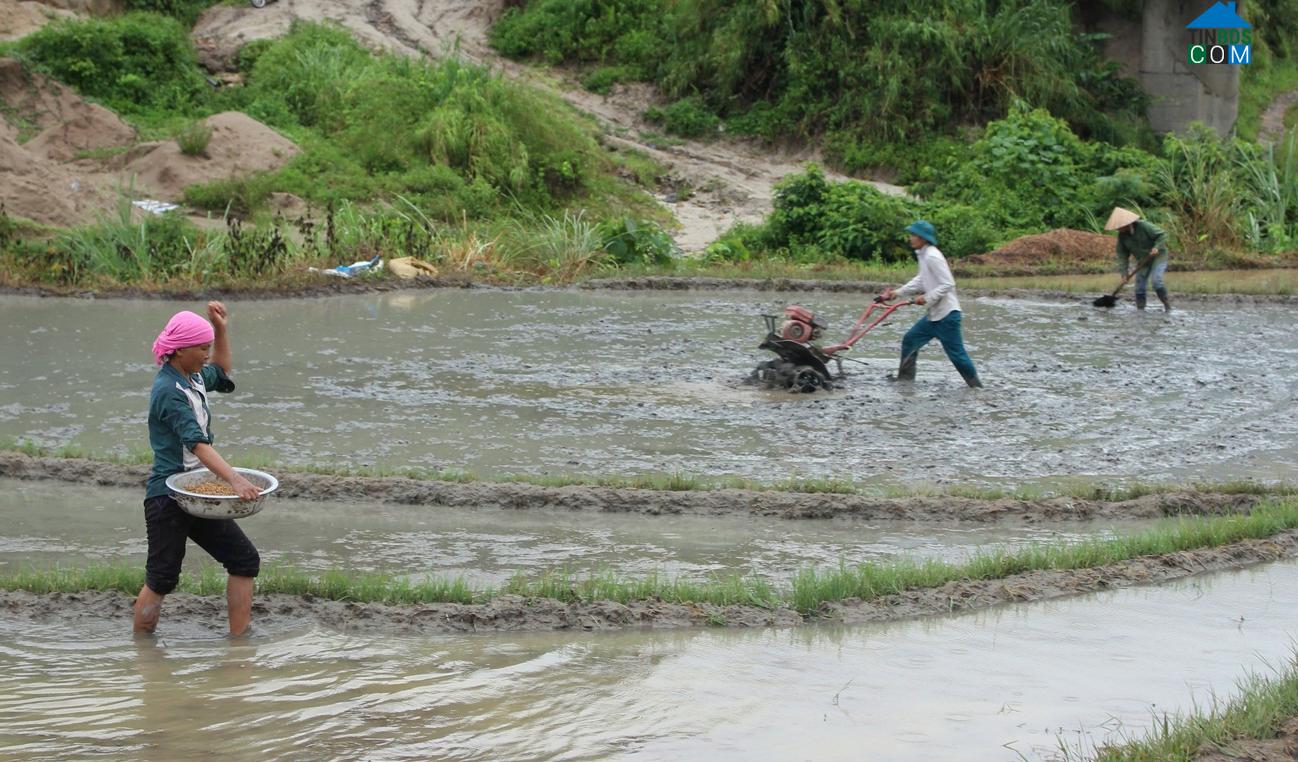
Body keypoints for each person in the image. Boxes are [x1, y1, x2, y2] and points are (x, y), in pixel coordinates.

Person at [134, 302, 261, 636]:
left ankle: (239, 643)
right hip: (168, 498)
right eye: (202, 348)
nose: (207, 354)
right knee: (162, 579)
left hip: (196, 493)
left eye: (208, 347)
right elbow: (196, 443)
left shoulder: (192, 377)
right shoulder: (168, 390)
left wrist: (219, 329)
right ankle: (142, 649)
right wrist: (234, 479)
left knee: (245, 561)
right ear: (179, 350)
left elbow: (221, 370)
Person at [881, 220, 982, 388]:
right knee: (910, 340)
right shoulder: (924, 255)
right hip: (934, 315)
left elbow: (948, 283)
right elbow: (921, 280)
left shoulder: (933, 256)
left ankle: (976, 387)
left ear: (923, 238)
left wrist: (927, 298)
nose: (910, 238)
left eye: (913, 235)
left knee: (957, 355)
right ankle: (905, 382)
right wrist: (897, 293)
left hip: (947, 316)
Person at [1105, 207, 1171, 312]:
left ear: (1126, 224)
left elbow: (1162, 235)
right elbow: (1122, 256)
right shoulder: (1122, 237)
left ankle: (1167, 306)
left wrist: (1157, 247)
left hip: (1158, 257)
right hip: (1143, 261)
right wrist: (1124, 273)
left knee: (1156, 281)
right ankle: (1140, 310)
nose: (1118, 229)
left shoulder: (1144, 226)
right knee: (1139, 287)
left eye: (1119, 227)